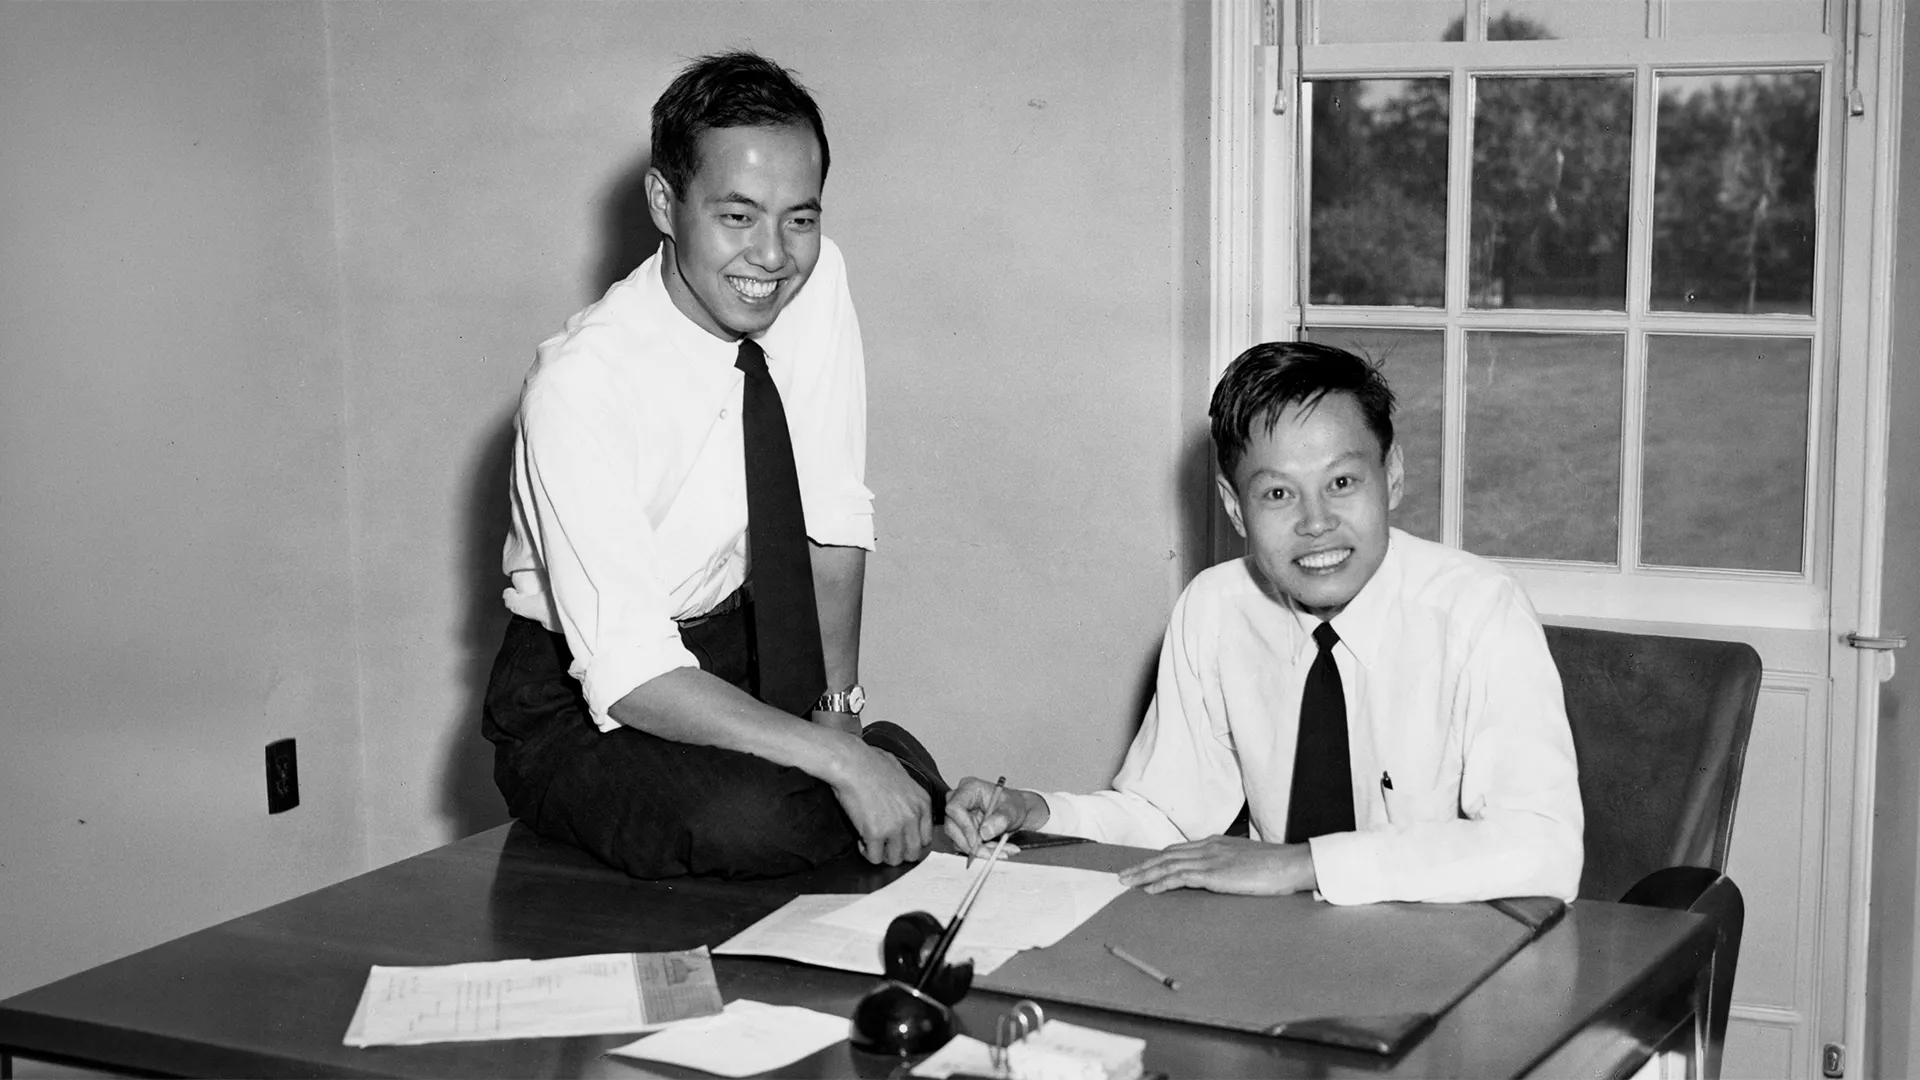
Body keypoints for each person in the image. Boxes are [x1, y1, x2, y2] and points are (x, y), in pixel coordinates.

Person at [482, 51, 944, 881]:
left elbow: (832, 515)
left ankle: (881, 770)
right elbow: (630, 674)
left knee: (824, 791)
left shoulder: (813, 281)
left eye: (799, 219)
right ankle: (898, 773)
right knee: (754, 819)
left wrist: (839, 720)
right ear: (665, 202)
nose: (772, 257)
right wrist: (847, 764)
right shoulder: (580, 385)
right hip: (582, 697)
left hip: (738, 648)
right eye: (738, 216)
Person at [946, 341, 1583, 904]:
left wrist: (1305, 864)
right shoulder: (1215, 608)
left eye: (1342, 482)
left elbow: (1545, 847)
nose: (1316, 522)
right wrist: (1038, 811)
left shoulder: (1479, 610)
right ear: (1235, 507)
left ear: (1391, 477)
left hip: (1440, 945)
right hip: (1274, 948)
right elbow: (1167, 818)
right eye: (1278, 493)